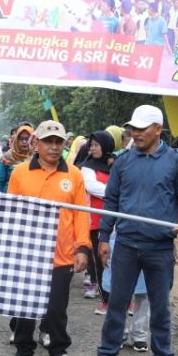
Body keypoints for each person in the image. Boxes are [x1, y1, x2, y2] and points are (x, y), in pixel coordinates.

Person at [89, 104, 178, 356]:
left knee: (160, 306)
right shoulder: (124, 161)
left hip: (160, 247)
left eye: (141, 129)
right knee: (116, 302)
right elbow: (111, 201)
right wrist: (104, 237)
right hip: (125, 244)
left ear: (157, 130)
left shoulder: (176, 162)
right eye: (133, 128)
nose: (134, 133)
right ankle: (106, 355)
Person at [6, 120, 90, 356]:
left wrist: (83, 248)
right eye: (48, 141)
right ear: (36, 144)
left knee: (56, 309)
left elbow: (80, 215)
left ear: (64, 143)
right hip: (27, 253)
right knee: (25, 308)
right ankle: (24, 355)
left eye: (58, 141)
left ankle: (57, 354)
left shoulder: (73, 174)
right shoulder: (20, 172)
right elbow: (11, 212)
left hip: (61, 254)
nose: (54, 147)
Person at [79, 130, 116, 310]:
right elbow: (92, 187)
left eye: (96, 145)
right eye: (90, 145)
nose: (92, 148)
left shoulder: (116, 163)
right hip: (96, 220)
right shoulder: (87, 166)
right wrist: (116, 191)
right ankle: (107, 300)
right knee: (101, 260)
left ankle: (126, 300)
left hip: (117, 219)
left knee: (119, 260)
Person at [0, 123, 33, 193]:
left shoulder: (38, 157)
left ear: (33, 139)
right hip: (8, 199)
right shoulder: (7, 157)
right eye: (21, 139)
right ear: (16, 140)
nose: (24, 142)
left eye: (27, 138)